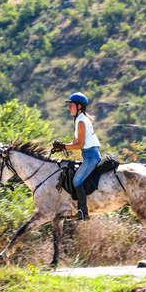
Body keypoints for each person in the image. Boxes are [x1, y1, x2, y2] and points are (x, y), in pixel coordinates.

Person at [52, 92, 101, 220]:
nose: (69, 108)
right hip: (87, 156)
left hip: (91, 157)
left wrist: (63, 146)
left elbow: (79, 144)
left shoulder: (81, 122)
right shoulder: (78, 120)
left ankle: (83, 212)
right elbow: (74, 143)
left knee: (76, 181)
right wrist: (61, 147)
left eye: (71, 105)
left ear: (79, 106)